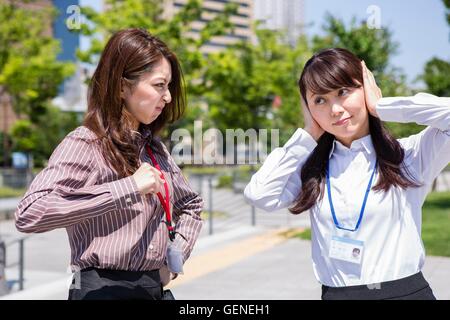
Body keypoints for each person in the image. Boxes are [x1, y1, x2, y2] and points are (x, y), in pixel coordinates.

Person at [244, 48, 450, 300]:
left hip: (404, 293)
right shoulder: (311, 170)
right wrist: (308, 134)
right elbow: (260, 195)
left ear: (365, 88)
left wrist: (381, 106)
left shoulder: (409, 155)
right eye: (320, 100)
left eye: (343, 92)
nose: (335, 109)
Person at [14, 28, 203, 300]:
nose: (168, 97)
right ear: (122, 86)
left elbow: (191, 205)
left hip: (152, 288)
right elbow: (29, 213)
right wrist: (128, 188)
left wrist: (173, 260)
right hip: (102, 290)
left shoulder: (154, 148)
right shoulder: (85, 143)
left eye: (169, 87)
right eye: (159, 85)